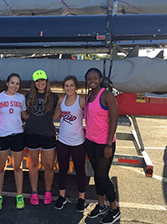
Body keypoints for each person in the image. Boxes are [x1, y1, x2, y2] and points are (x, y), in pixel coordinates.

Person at [84, 68, 121, 224]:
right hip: (90, 141)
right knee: (97, 176)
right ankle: (101, 206)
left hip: (104, 143)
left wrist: (108, 144)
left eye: (95, 78)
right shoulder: (89, 96)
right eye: (89, 79)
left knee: (102, 176)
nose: (92, 81)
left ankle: (114, 209)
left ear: (100, 79)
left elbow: (114, 120)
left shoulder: (106, 95)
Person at [0, 73, 28, 210]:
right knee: (0, 168)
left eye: (17, 83)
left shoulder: (21, 98)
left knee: (18, 167)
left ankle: (19, 196)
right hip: (2, 135)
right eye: (12, 83)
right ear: (7, 83)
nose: (15, 86)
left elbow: (24, 115)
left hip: (18, 135)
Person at [53, 75, 87, 212]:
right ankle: (62, 197)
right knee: (62, 170)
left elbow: (91, 115)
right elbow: (54, 116)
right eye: (66, 86)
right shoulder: (61, 100)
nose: (69, 88)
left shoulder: (82, 101)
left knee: (80, 171)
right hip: (62, 141)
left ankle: (81, 198)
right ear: (64, 88)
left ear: (76, 87)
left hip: (78, 142)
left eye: (71, 85)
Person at [25, 70, 58, 205]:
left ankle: (48, 191)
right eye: (37, 81)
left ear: (46, 81)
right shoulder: (28, 96)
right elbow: (25, 114)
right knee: (33, 165)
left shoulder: (54, 97)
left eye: (42, 80)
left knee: (49, 165)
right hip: (32, 134)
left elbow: (56, 114)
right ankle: (34, 192)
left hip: (48, 135)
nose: (40, 83)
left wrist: (47, 121)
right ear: (34, 83)